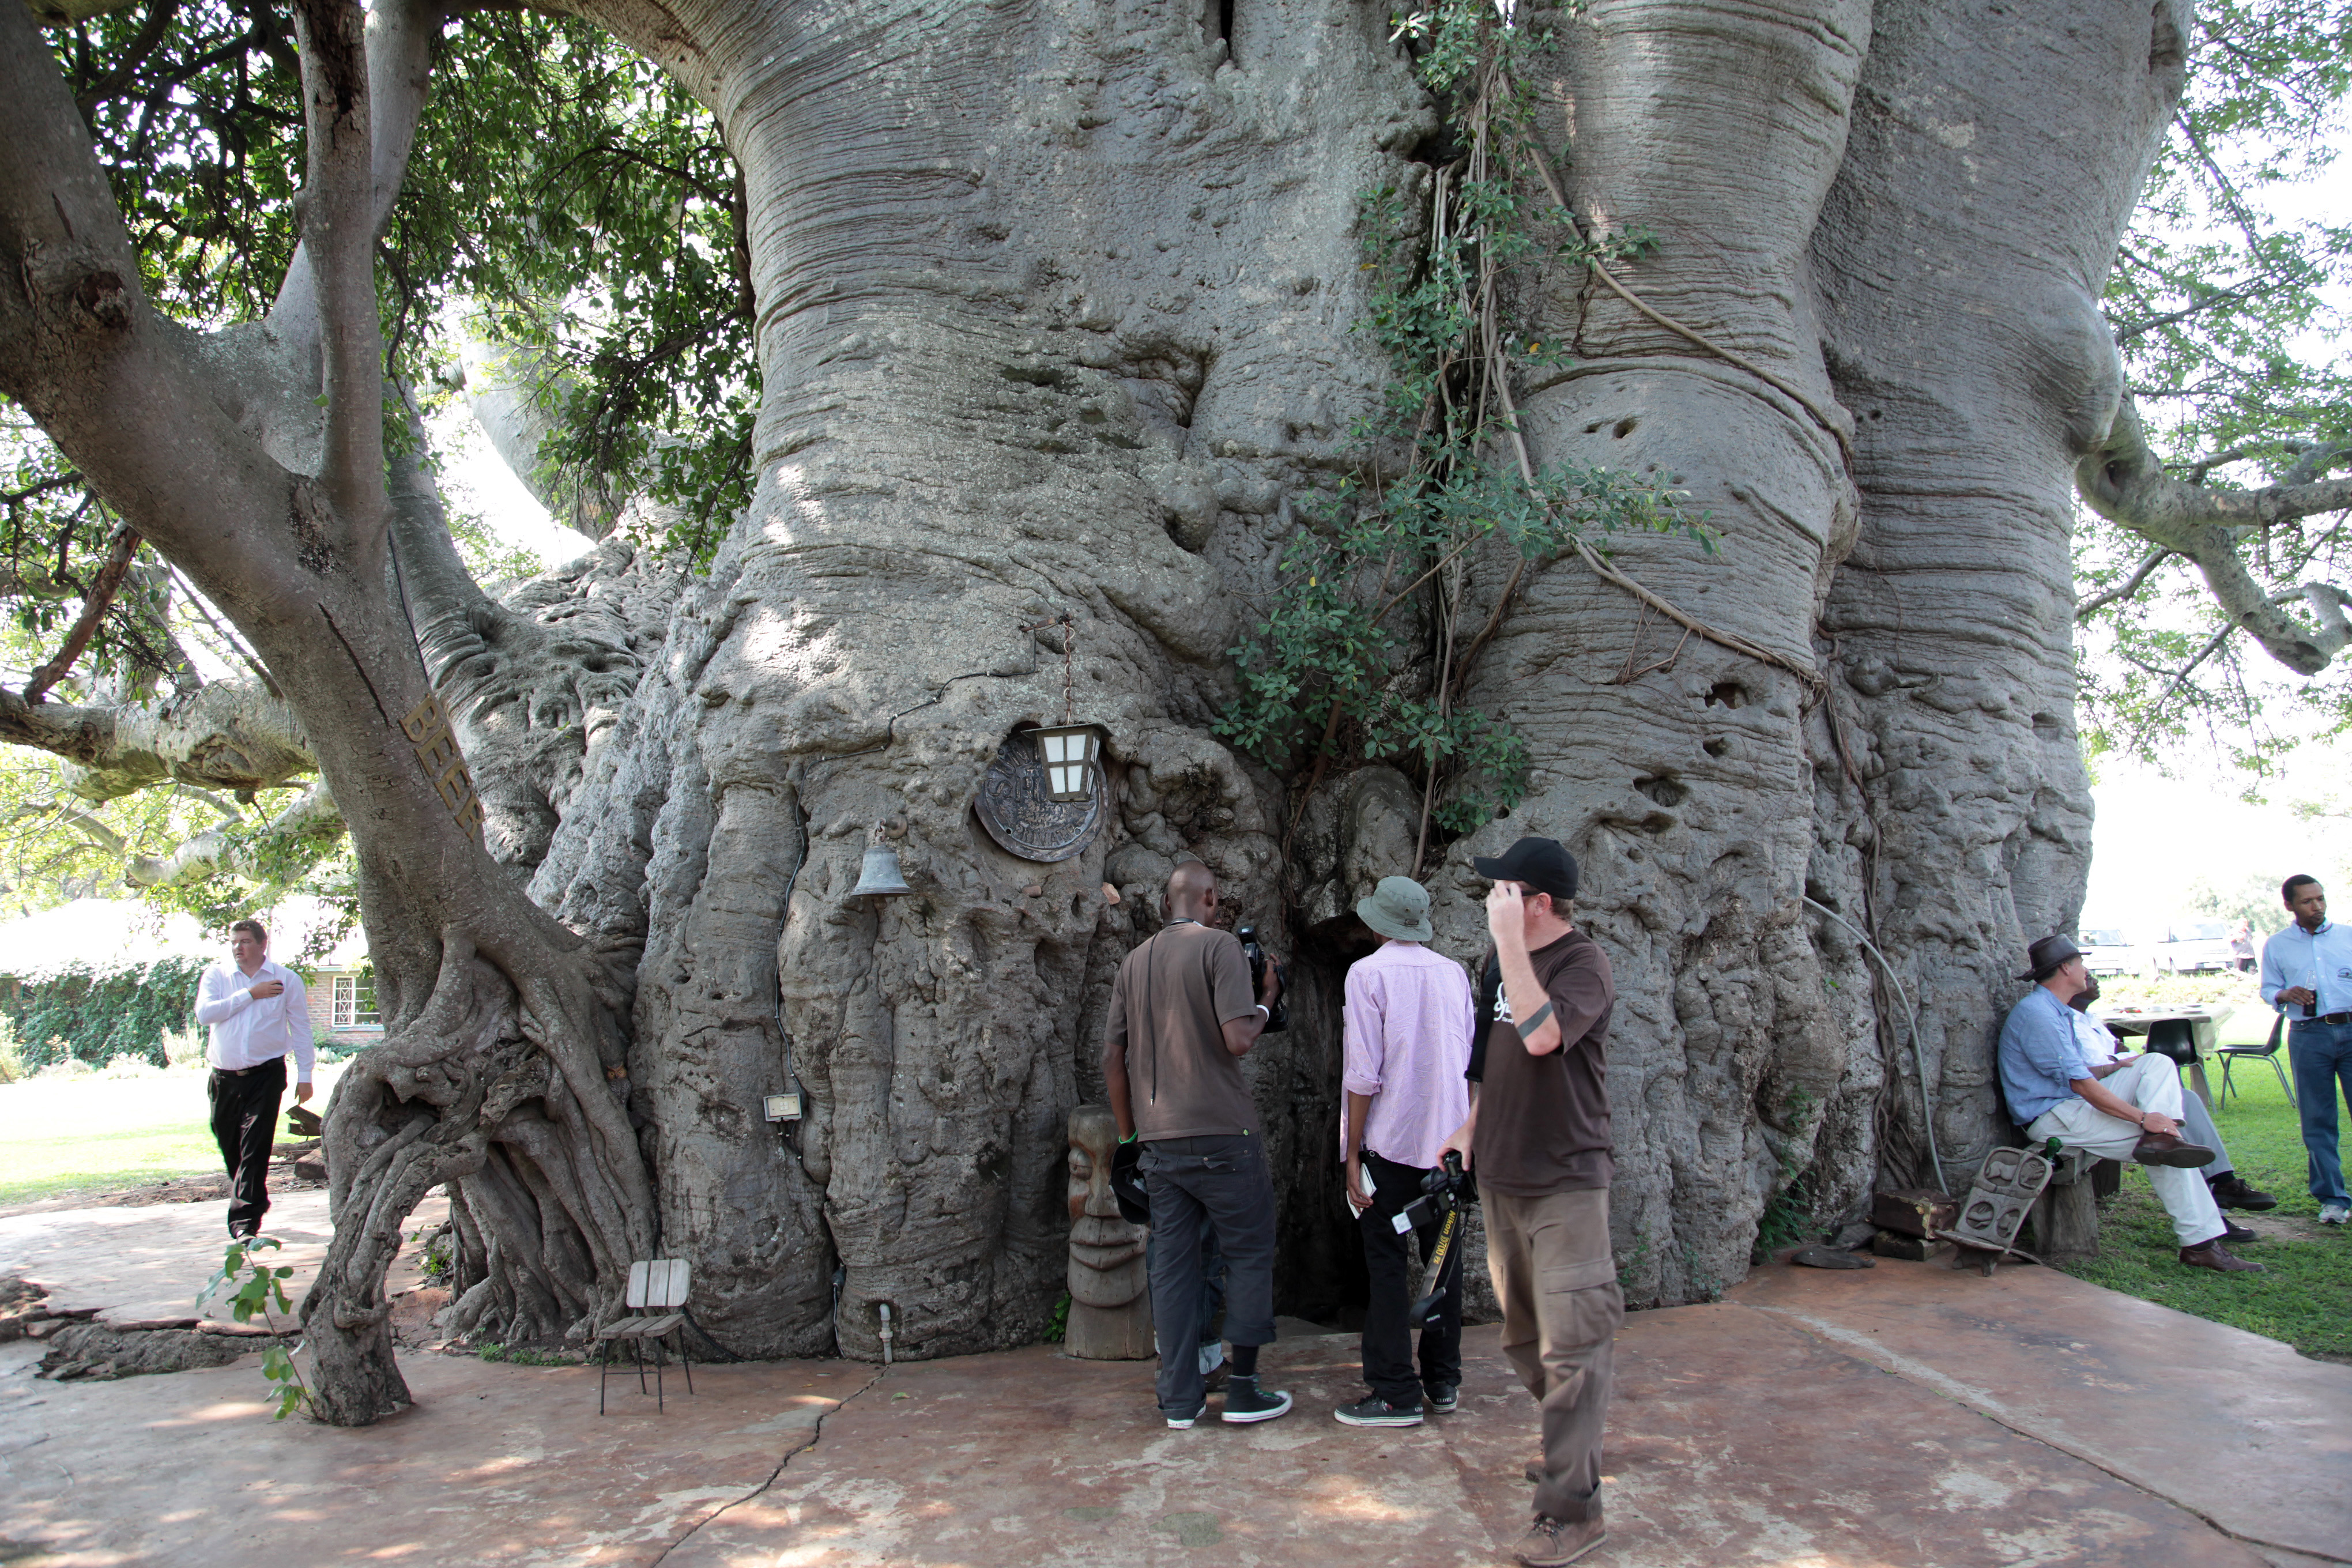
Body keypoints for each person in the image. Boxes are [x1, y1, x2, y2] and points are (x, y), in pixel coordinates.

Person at [1441, 837, 1619, 1568]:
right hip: (1504, 1178)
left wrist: (1511, 943)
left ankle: (1573, 1508)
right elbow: (1491, 1056)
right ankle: (1568, 1448)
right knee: (1523, 1340)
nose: (1492, 900)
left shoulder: (1584, 965)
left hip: (1567, 1182)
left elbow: (1543, 1037)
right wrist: (1469, 1125)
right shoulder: (1496, 961)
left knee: (1573, 1342)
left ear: (1538, 902)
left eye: (1504, 890)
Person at [1102, 860, 1291, 1427]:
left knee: (1174, 1267)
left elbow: (1113, 1056)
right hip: (1225, 1137)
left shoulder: (1132, 962)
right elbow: (1238, 1037)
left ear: (1166, 904)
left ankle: (1179, 1397)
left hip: (1159, 1143)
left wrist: (1130, 1134)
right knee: (1249, 1252)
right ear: (1210, 898)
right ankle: (1245, 1390)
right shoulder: (1221, 948)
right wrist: (1266, 998)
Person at [1998, 935, 2261, 1272]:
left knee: (2156, 1063)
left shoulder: (2054, 1010)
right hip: (2053, 1117)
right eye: (2081, 963)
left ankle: (2164, 1142)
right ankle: (2200, 1245)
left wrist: (2118, 1074)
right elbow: (2082, 1085)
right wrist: (2142, 1119)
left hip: (2071, 1107)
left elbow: (2075, 1073)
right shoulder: (2038, 1013)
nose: (2086, 969)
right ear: (2066, 968)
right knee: (2165, 1148)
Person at [1335, 875, 1473, 1429]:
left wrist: (1351, 1155)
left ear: (1376, 925)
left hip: (1389, 1145)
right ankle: (1443, 1381)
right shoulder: (1453, 974)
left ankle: (1395, 1391)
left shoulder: (1366, 974)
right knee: (1445, 1266)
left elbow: (1363, 1073)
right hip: (1449, 1147)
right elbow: (1467, 1058)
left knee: (1387, 1267)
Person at [2066, 976, 2274, 1225]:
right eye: (2086, 977)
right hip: (2095, 1099)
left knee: (2186, 1103)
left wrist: (2124, 1057)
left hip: (2123, 1086)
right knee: (2169, 1132)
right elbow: (2078, 1074)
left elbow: (2118, 1050)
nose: (2094, 980)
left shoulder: (2091, 1019)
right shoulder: (2064, 1022)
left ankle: (2222, 1185)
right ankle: (2215, 1205)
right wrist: (2115, 1066)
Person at [191, 919, 312, 1239]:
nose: (237, 948)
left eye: (244, 941)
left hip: (266, 1075)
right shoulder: (217, 976)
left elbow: (300, 1027)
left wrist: (306, 1074)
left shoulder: (286, 980)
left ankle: (244, 1223)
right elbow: (205, 1015)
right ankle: (254, 1197)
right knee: (229, 1143)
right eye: (233, 942)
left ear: (262, 944)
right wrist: (250, 994)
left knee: (255, 1147)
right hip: (224, 1078)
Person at [2259, 875, 2352, 1225]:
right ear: (2289, 906)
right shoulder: (2278, 945)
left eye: (2321, 899)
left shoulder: (2347, 936)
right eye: (2307, 902)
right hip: (2309, 1036)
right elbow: (2269, 989)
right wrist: (2284, 994)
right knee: (2318, 1120)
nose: (2317, 907)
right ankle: (2333, 1199)